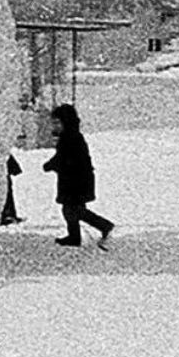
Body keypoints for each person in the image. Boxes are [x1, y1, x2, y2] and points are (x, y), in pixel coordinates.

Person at [42, 103, 114, 249]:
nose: (54, 126)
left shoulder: (71, 138)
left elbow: (66, 159)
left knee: (73, 210)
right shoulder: (70, 136)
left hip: (76, 181)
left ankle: (104, 225)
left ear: (65, 122)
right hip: (75, 179)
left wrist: (51, 165)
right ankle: (74, 237)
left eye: (57, 123)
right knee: (71, 209)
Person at [0, 147, 24, 230]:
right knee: (6, 196)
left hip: (3, 176)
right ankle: (7, 215)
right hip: (1, 176)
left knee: (7, 196)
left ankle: (8, 214)